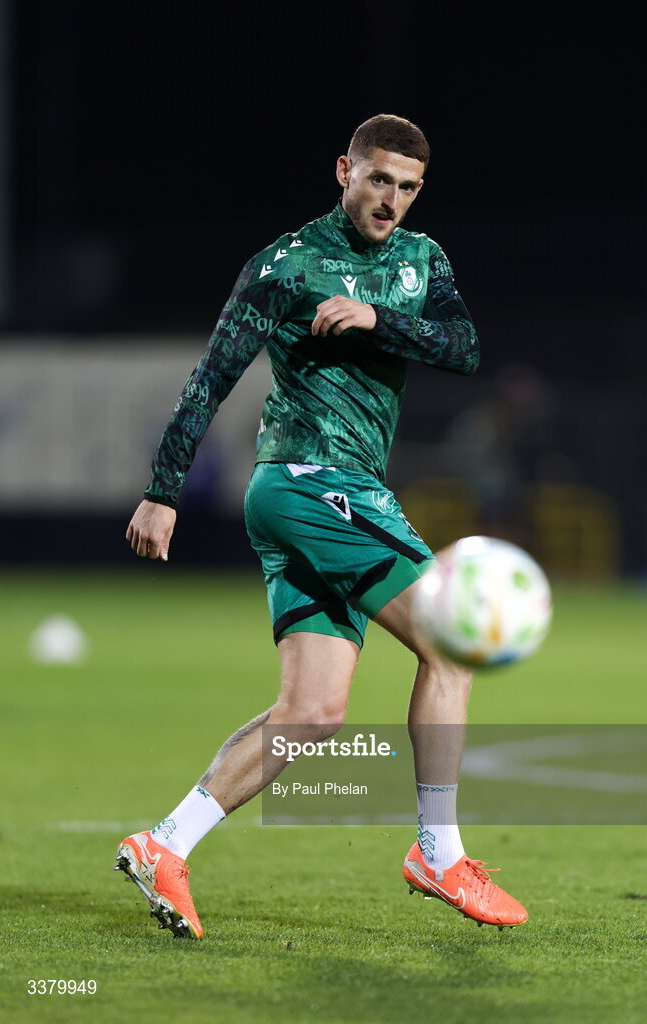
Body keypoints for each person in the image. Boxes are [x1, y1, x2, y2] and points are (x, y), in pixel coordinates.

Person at [115, 114, 528, 938]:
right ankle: (439, 853)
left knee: (313, 714)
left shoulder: (422, 262)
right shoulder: (287, 263)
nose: (392, 200)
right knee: (452, 640)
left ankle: (166, 843)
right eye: (379, 179)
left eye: (408, 187)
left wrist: (382, 322)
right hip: (312, 483)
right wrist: (162, 490)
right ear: (345, 170)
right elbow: (210, 378)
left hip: (330, 495)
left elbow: (465, 346)